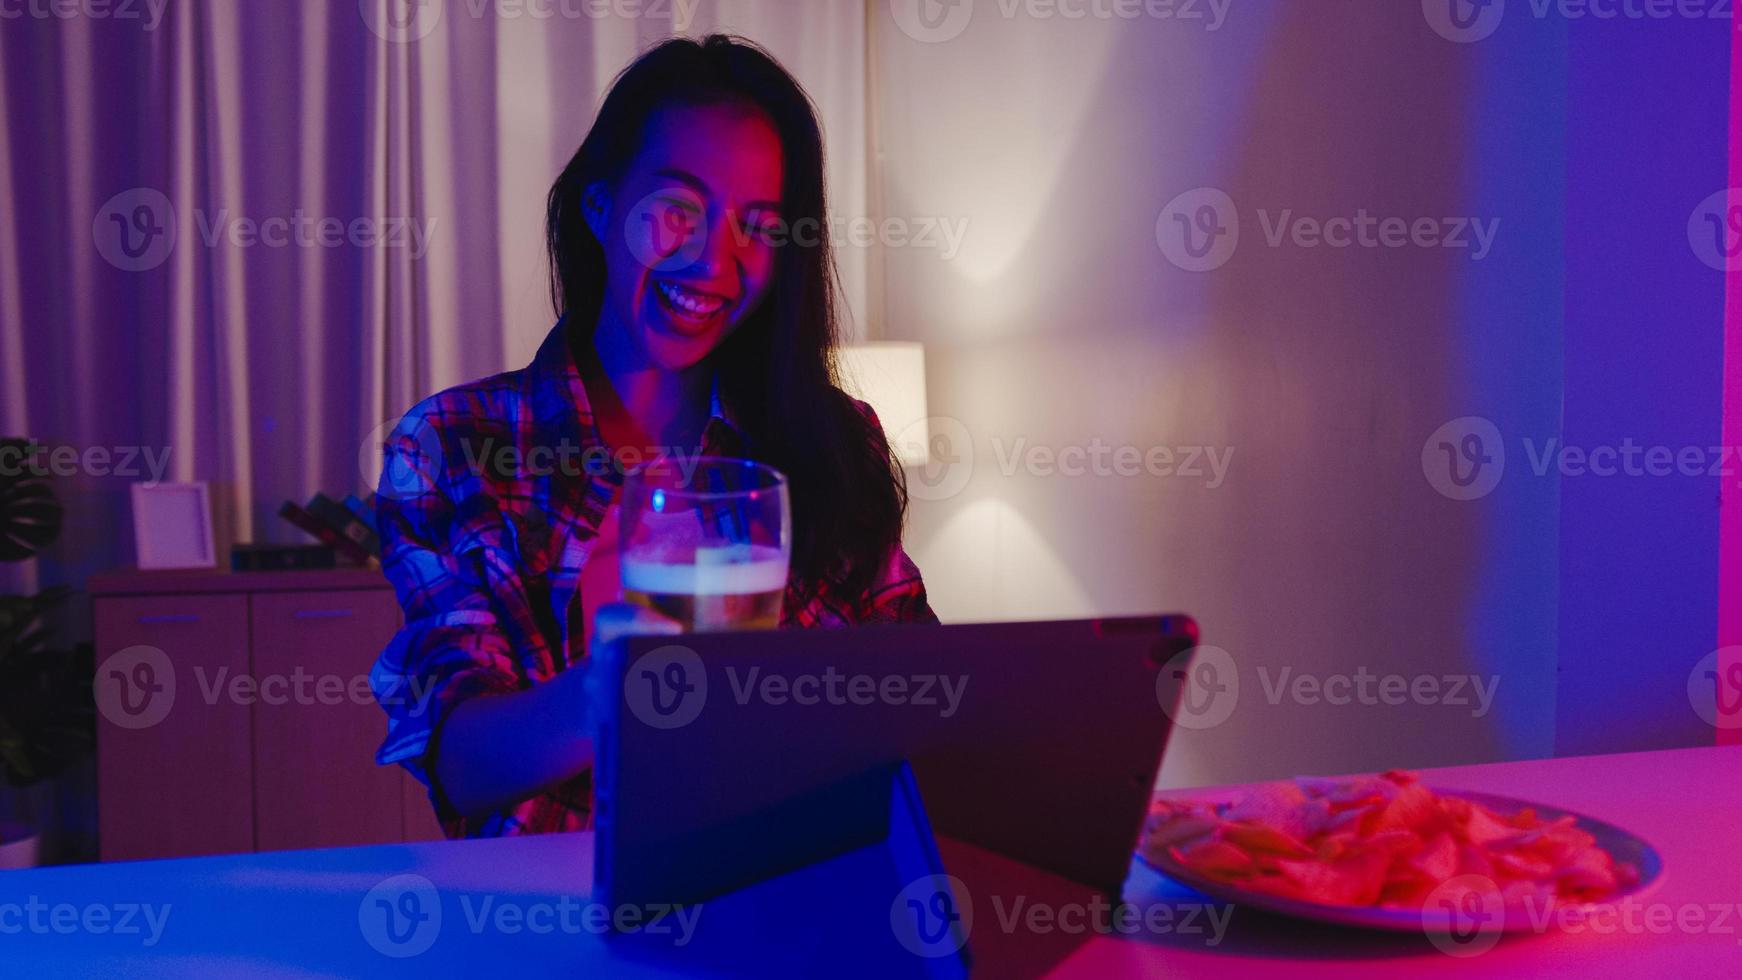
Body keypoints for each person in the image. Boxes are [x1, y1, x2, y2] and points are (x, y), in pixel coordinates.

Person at [369, 35, 937, 839]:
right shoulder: (453, 446)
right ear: (599, 205)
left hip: (793, 898)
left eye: (759, 226)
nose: (714, 262)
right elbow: (464, 765)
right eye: (677, 211)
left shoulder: (835, 440)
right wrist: (613, 681)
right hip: (551, 926)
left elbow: (922, 690)